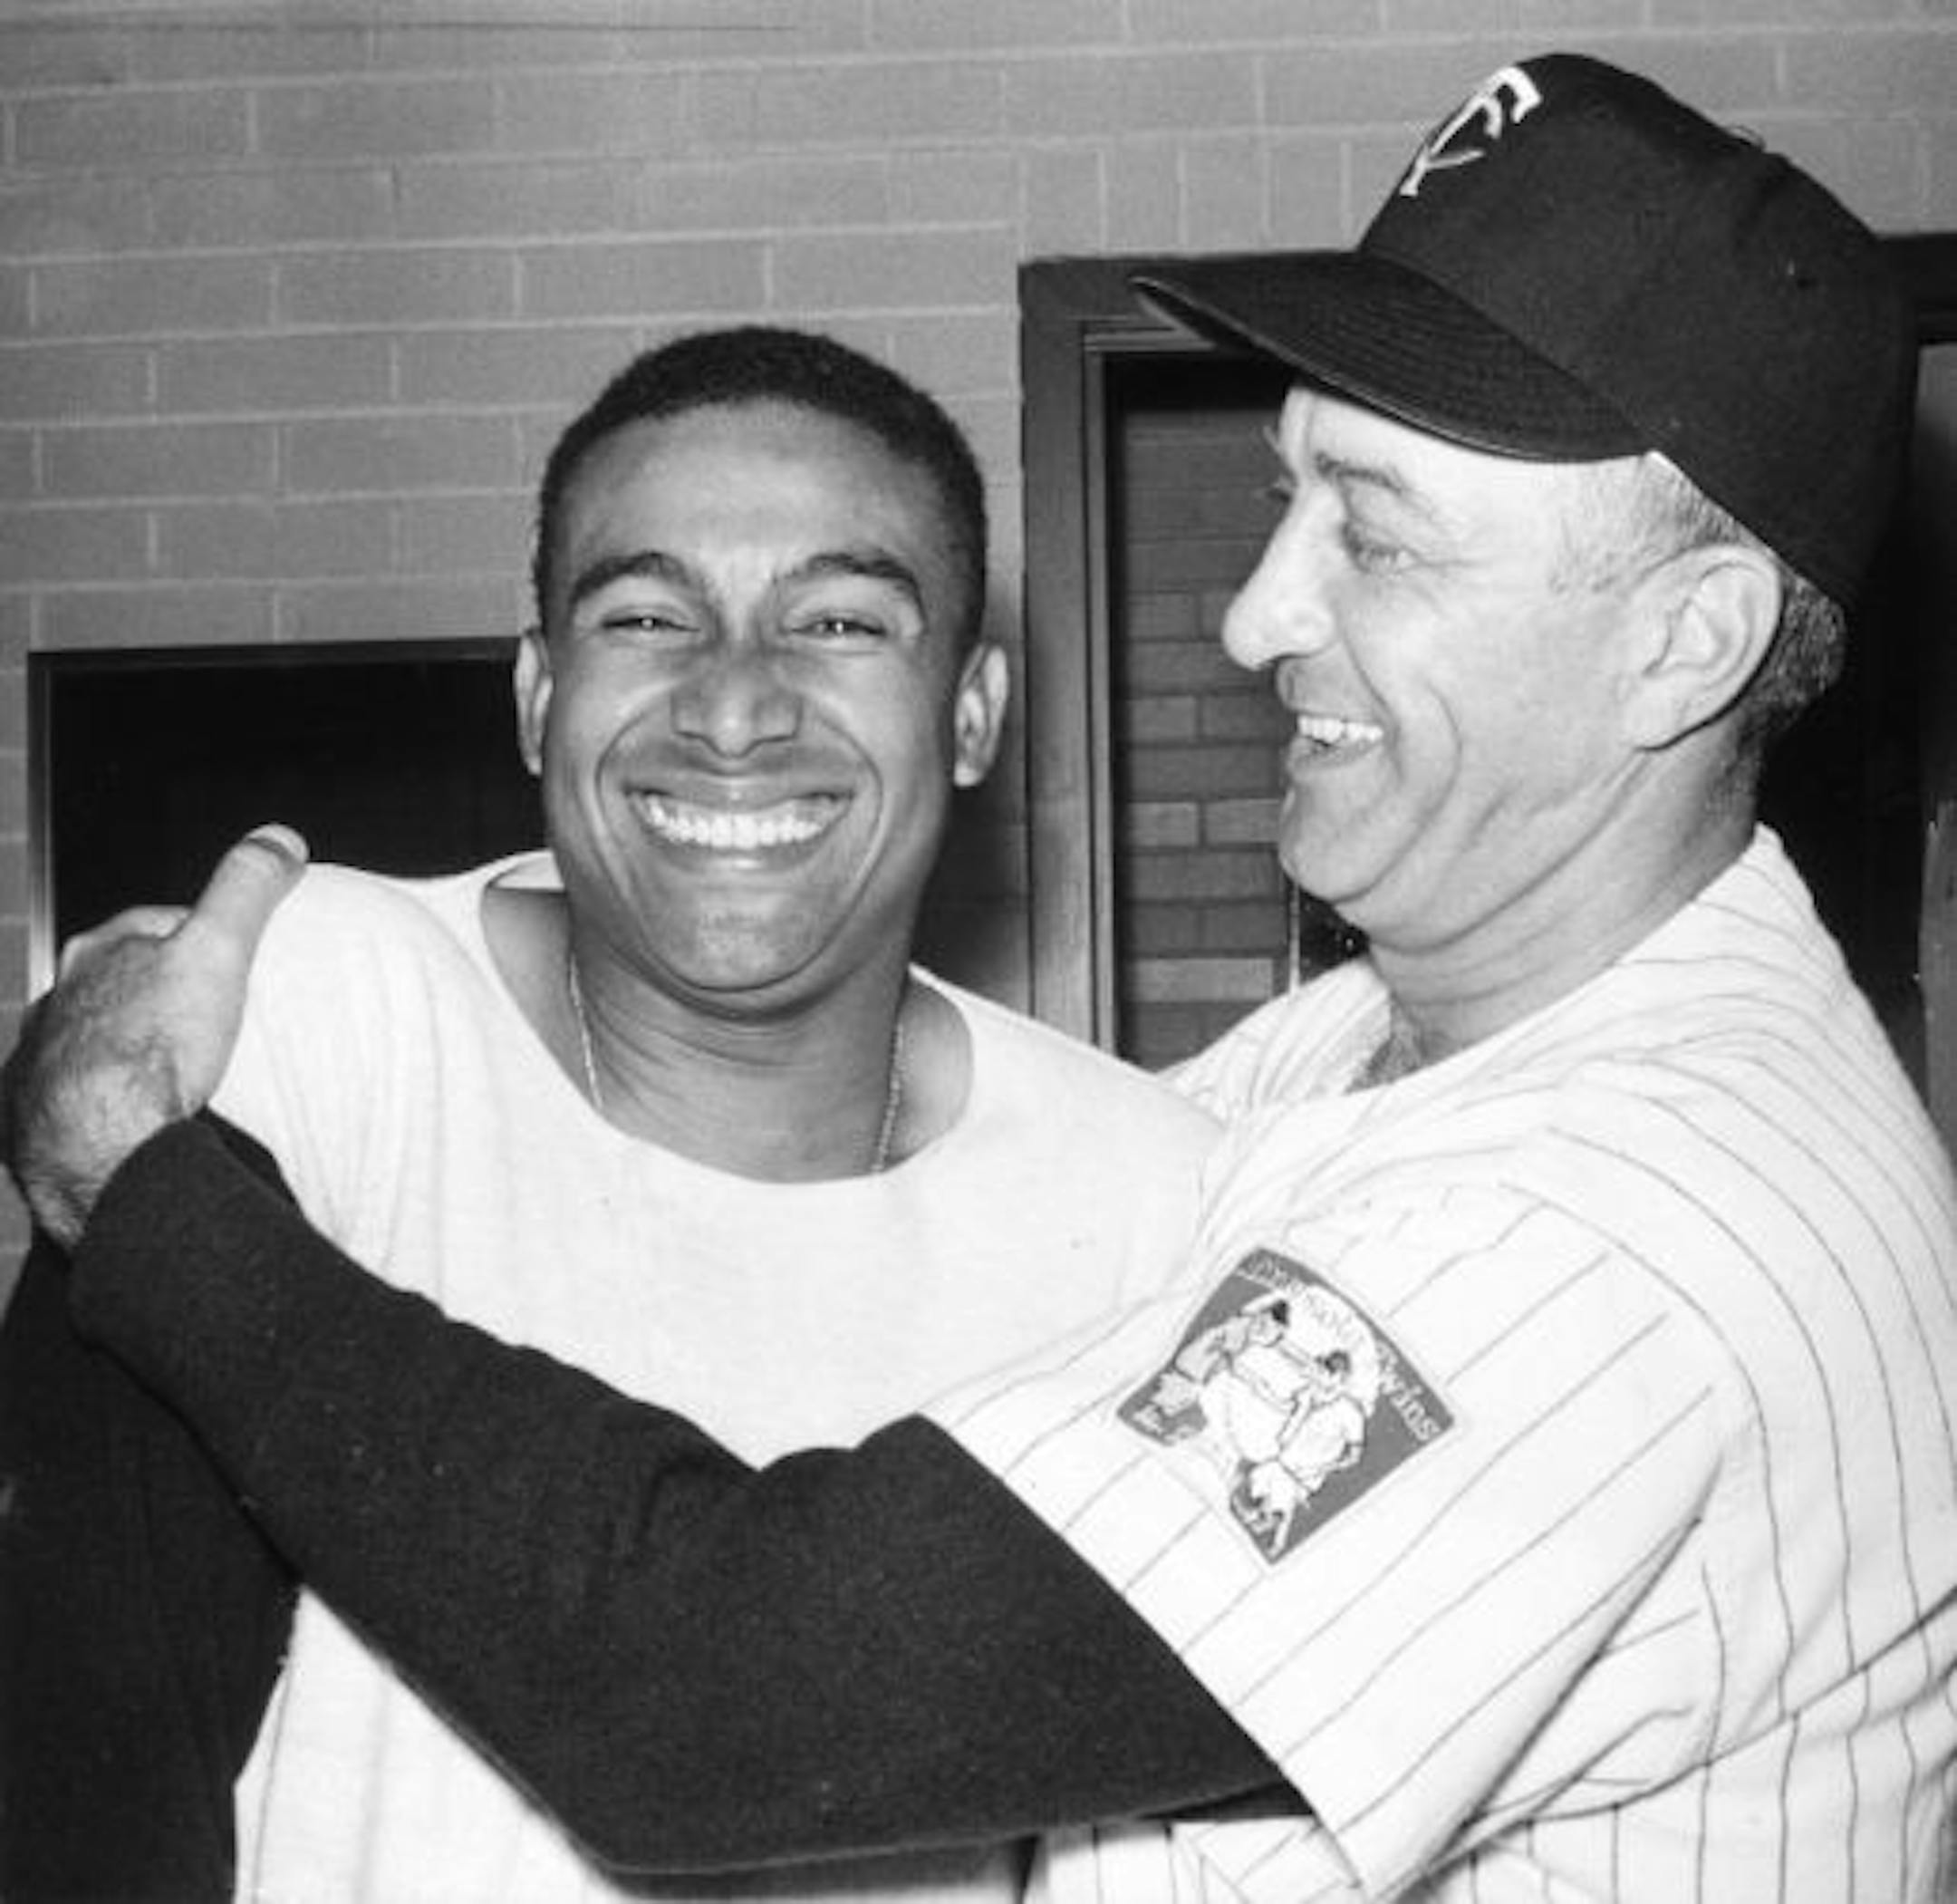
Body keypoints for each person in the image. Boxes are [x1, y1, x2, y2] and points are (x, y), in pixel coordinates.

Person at [9, 49, 1956, 1902]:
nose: (1260, 610)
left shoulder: (1631, 1233)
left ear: (1686, 643)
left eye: (1378, 538)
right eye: (1292, 496)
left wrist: (142, 1186)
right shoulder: (1346, 1060)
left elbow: (728, 1702)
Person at [0, 327, 1225, 1903]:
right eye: (647, 615)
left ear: (973, 713)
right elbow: (67, 1785)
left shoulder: (1150, 1201)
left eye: (841, 619)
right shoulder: (312, 1023)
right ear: (536, 696)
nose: (731, 706)